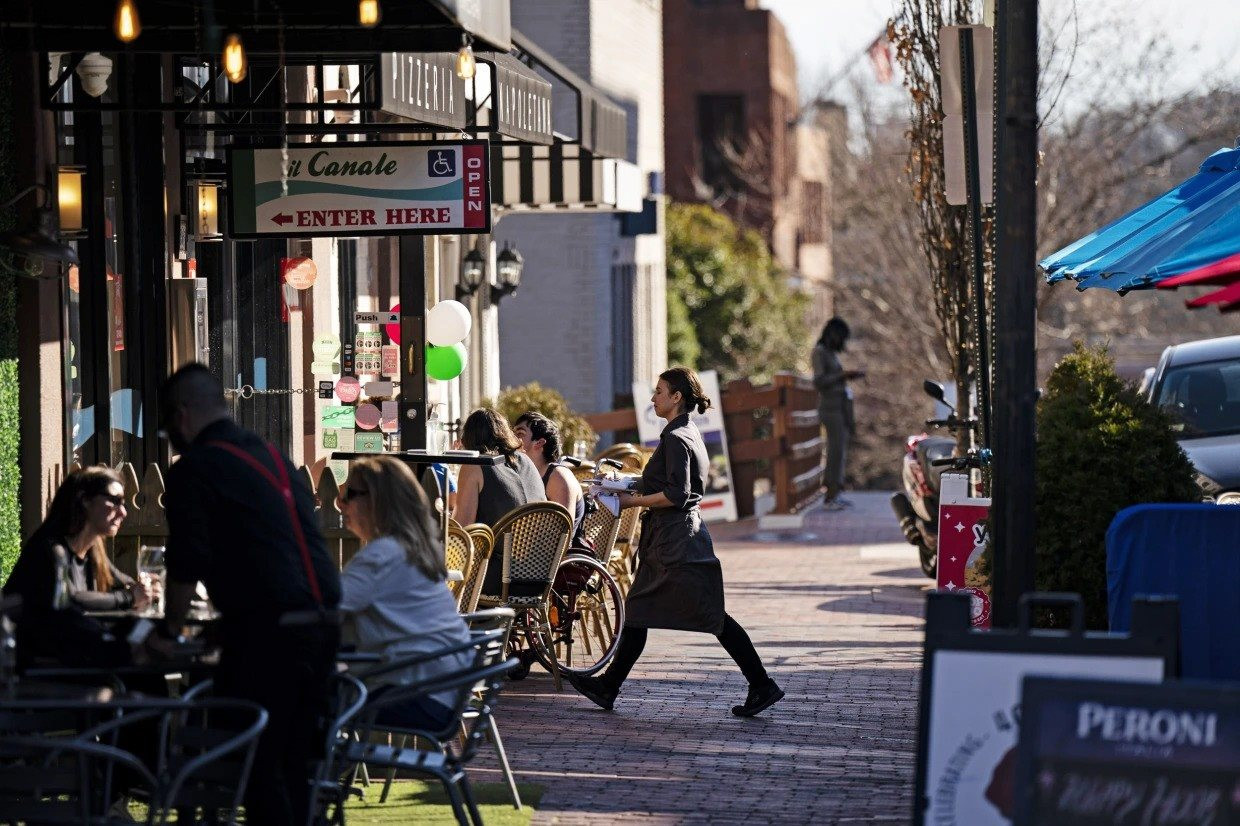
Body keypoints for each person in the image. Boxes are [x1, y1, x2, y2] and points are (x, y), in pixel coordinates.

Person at [154, 363, 342, 826]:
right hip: (324, 628)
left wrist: (170, 632)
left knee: (256, 768)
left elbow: (184, 562)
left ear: (180, 417)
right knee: (297, 768)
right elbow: (280, 553)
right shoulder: (272, 457)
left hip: (271, 639)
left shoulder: (196, 470)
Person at [565, 367, 784, 718]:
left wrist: (631, 502)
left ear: (676, 397)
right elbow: (665, 482)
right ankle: (608, 687)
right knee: (640, 612)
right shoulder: (686, 433)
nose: (653, 398)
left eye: (659, 391)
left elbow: (677, 493)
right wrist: (623, 482)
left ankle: (761, 684)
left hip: (676, 541)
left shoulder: (675, 438)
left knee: (709, 617)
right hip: (679, 538)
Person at [338, 456, 474, 732]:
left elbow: (320, 606)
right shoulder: (413, 550)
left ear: (376, 502)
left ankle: (307, 773)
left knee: (295, 698)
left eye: (349, 494)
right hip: (445, 694)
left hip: (417, 696)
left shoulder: (382, 555)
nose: (340, 503)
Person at [3, 466, 152, 669]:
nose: (123, 512)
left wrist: (147, 588)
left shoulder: (92, 552)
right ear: (85, 500)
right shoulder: (50, 550)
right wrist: (129, 597)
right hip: (42, 669)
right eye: (115, 501)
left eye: (124, 503)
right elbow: (70, 598)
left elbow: (125, 582)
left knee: (145, 637)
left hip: (75, 656)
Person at [451, 408, 546, 596]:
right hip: (542, 575)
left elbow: (463, 531)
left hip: (499, 578)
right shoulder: (526, 461)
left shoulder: (475, 465)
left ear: (469, 437)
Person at [513, 411, 587, 547]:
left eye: (520, 434)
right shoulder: (522, 474)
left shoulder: (558, 478)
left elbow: (563, 536)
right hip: (525, 555)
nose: (512, 440)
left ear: (539, 443)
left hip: (554, 563)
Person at [812, 317, 864, 509]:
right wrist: (842, 375)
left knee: (840, 452)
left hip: (840, 407)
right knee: (834, 452)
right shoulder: (820, 352)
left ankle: (836, 492)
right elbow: (819, 381)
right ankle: (829, 496)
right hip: (830, 408)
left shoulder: (832, 354)